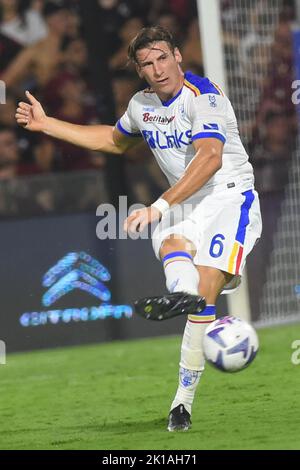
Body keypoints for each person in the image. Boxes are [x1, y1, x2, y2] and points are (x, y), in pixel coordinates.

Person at [15, 25, 262, 432]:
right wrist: (48, 125)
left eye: (163, 57)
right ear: (138, 70)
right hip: (184, 201)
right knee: (169, 241)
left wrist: (161, 203)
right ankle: (183, 294)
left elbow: (211, 158)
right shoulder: (141, 105)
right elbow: (115, 141)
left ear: (178, 56)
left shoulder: (206, 98)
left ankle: (182, 401)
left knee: (192, 270)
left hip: (229, 200)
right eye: (147, 63)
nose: (157, 68)